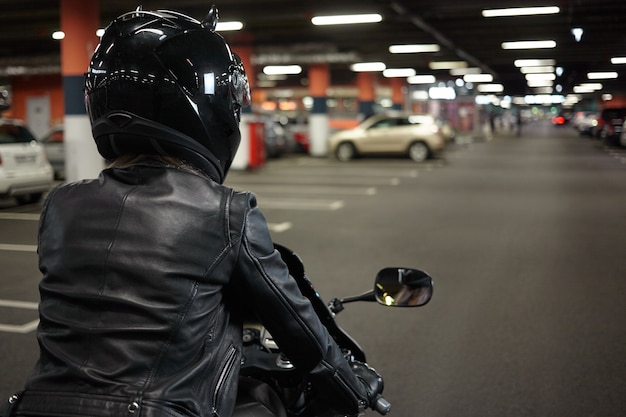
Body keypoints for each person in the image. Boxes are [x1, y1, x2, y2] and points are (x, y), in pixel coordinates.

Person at [3, 7, 382, 417]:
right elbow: (297, 325)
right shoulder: (225, 212)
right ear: (209, 106)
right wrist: (353, 387)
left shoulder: (59, 206)